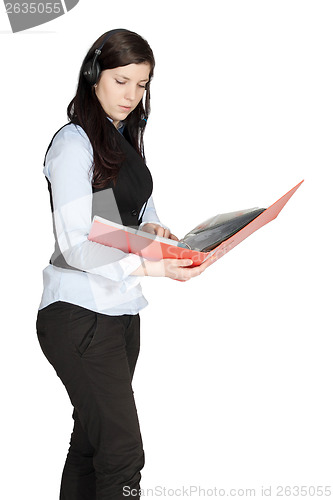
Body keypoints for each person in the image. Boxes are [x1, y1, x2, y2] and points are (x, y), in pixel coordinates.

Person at [36, 28, 216, 500]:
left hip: (119, 313)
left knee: (92, 443)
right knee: (121, 452)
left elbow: (138, 210)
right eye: (122, 81)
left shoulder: (122, 139)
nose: (132, 95)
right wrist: (155, 267)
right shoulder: (73, 145)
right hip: (79, 315)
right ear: (94, 75)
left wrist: (155, 232)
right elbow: (78, 244)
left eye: (142, 85)